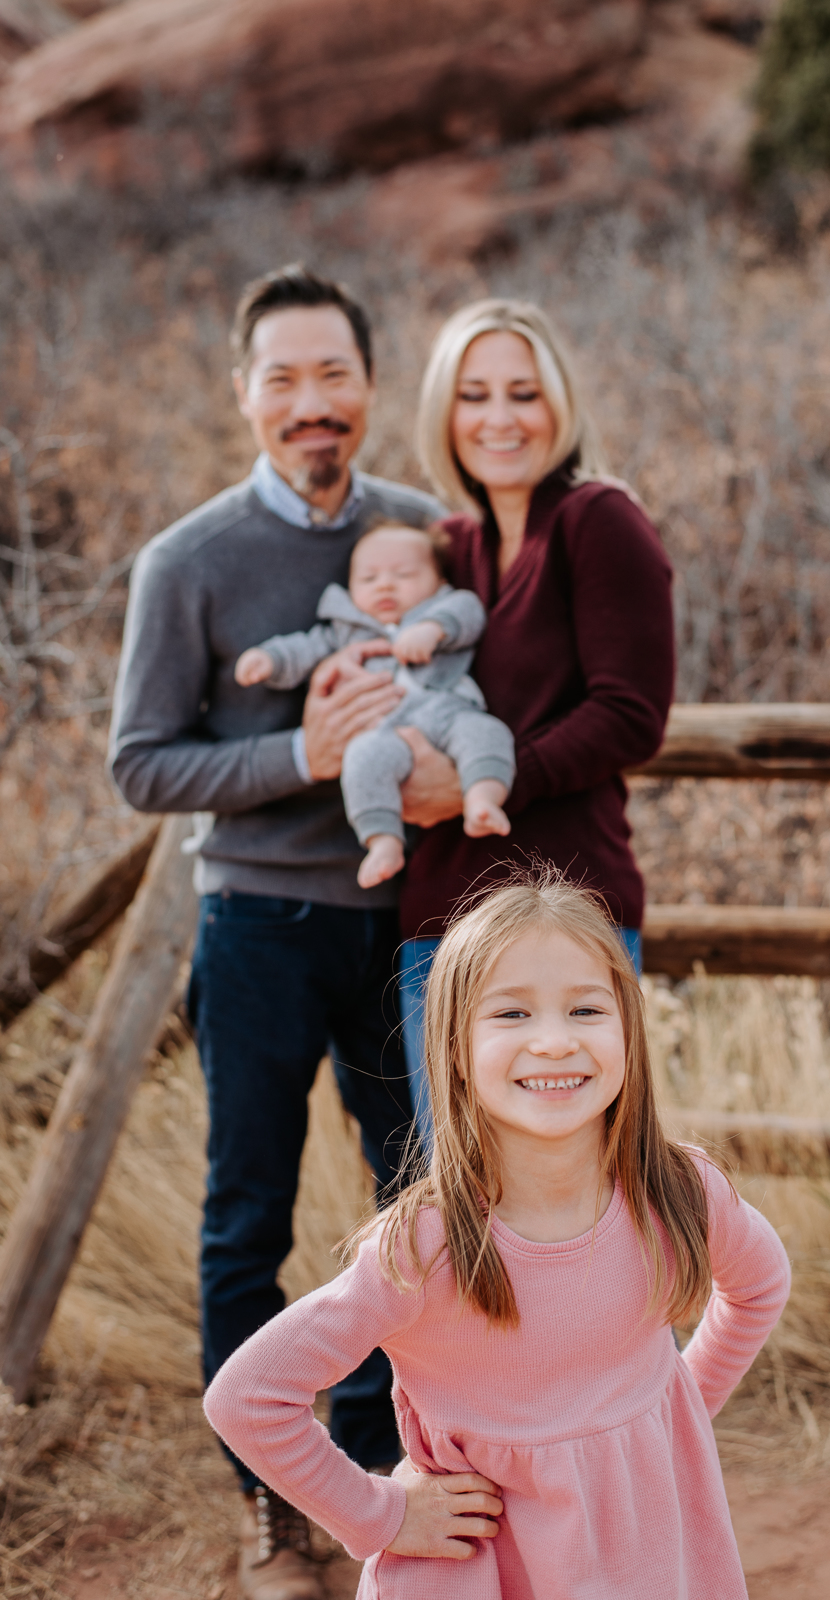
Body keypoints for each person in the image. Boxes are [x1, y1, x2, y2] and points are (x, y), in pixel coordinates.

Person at [108, 264, 450, 1600]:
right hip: (254, 924)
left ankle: (382, 1480)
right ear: (243, 394)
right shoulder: (187, 563)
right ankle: (272, 1508)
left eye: (335, 377)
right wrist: (299, 756)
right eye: (283, 380)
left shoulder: (427, 537)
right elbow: (144, 765)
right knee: (243, 1212)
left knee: (410, 1215)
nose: (312, 406)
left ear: (370, 385)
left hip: (404, 931)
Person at [203, 873, 792, 1599]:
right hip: (475, 1569)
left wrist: (681, 1409)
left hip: (643, 1559)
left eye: (585, 1009)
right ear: (453, 1048)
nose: (553, 1042)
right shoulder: (426, 1245)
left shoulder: (680, 1192)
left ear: (629, 1034)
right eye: (511, 1014)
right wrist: (380, 1515)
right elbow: (249, 1397)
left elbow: (761, 1285)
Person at [395, 299, 676, 1149]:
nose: (499, 418)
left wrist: (488, 777)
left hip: (567, 916)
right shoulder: (449, 546)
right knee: (458, 1203)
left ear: (560, 402)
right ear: (444, 411)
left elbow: (631, 715)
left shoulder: (598, 521)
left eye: (523, 392)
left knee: (572, 1194)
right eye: (474, 395)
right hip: (440, 922)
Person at [235, 516, 515, 889]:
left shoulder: (443, 609)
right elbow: (306, 647)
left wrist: (432, 629)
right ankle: (383, 841)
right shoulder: (346, 629)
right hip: (384, 732)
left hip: (448, 712)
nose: (385, 584)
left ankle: (483, 797)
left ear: (439, 583)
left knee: (486, 732)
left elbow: (469, 613)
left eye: (404, 575)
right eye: (369, 579)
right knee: (361, 760)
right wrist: (269, 660)